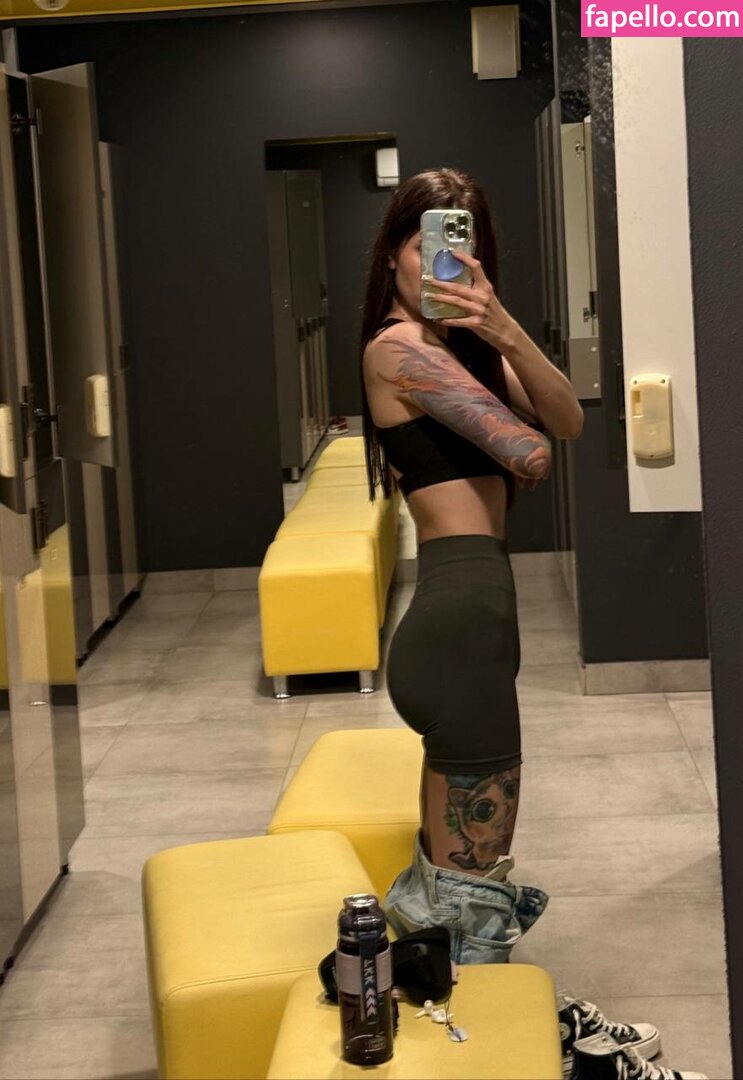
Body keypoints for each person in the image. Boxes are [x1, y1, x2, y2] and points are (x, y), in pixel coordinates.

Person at [360, 169, 706, 1080]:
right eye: (427, 243)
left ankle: (495, 1034)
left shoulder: (472, 348)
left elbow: (568, 422)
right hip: (457, 626)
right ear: (393, 255)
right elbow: (529, 452)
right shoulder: (396, 349)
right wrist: (490, 359)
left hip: (475, 618)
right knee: (475, 889)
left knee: (454, 886)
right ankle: (511, 1050)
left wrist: (501, 327)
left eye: (464, 244)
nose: (445, 261)